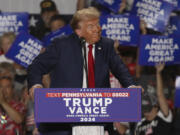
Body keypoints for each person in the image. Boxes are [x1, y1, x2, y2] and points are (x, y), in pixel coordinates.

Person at [28, 7, 141, 135]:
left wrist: (131, 86)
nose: (97, 29)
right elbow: (36, 66)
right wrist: (36, 85)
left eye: (98, 24)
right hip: (65, 117)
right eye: (91, 26)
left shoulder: (106, 45)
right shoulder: (61, 45)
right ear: (78, 30)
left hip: (97, 116)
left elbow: (120, 69)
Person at [134, 63, 173, 135]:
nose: (145, 112)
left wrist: (158, 72)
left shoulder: (164, 117)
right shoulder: (139, 123)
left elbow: (160, 95)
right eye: (143, 107)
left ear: (156, 107)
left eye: (148, 108)